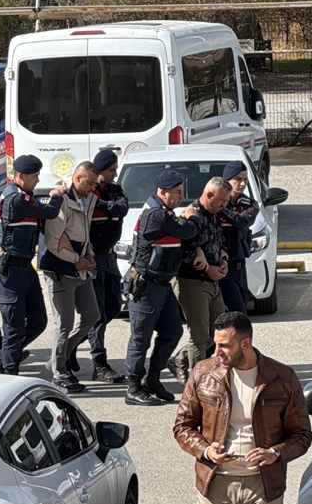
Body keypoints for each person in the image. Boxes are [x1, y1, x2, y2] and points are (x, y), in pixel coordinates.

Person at [172, 311, 312, 504]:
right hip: (216, 485)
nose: (216, 352)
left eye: (224, 346)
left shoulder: (282, 378)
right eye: (216, 344)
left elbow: (302, 435)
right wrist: (206, 450)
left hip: (263, 488)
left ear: (245, 344)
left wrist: (275, 453)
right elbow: (183, 426)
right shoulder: (203, 373)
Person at [123, 170, 202, 405]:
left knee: (172, 331)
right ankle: (133, 386)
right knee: (141, 337)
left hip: (162, 285)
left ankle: (153, 378)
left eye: (182, 192)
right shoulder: (156, 215)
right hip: (146, 285)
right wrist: (192, 217)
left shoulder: (164, 212)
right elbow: (188, 230)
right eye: (177, 193)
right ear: (162, 192)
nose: (181, 198)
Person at [0, 156, 67, 375]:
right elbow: (49, 212)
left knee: (38, 322)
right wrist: (56, 196)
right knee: (13, 328)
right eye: (34, 176)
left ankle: (4, 357)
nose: (37, 180)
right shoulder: (15, 198)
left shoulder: (24, 197)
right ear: (20, 176)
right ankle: (9, 372)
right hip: (9, 270)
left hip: (25, 268)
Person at [39, 162, 101, 393]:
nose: (94, 188)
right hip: (61, 269)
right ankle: (59, 373)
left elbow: (83, 234)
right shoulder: (62, 201)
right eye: (90, 183)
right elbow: (54, 242)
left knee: (92, 315)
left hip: (80, 267)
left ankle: (59, 358)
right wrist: (76, 259)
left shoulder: (86, 200)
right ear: (77, 178)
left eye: (96, 183)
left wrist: (88, 256)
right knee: (62, 323)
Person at [170, 177, 233, 384]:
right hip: (193, 282)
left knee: (217, 330)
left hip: (213, 281)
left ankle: (178, 360)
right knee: (200, 336)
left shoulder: (213, 214)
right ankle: (200, 380)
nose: (225, 205)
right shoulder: (191, 215)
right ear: (209, 195)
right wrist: (208, 268)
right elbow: (185, 250)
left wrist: (223, 259)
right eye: (222, 200)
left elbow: (219, 240)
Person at [86, 149, 129, 383]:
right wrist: (102, 204)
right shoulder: (87, 190)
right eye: (111, 170)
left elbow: (122, 207)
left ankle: (74, 344)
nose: (115, 174)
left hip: (110, 257)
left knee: (113, 306)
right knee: (98, 313)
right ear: (100, 170)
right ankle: (99, 363)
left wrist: (102, 204)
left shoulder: (114, 190)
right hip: (93, 257)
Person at [218, 162, 261, 315]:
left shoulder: (251, 204)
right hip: (220, 268)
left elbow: (241, 222)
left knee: (240, 313)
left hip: (240, 268)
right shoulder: (214, 203)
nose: (242, 183)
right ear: (226, 181)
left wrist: (221, 210)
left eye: (245, 179)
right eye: (237, 179)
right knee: (233, 315)